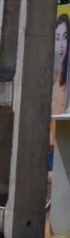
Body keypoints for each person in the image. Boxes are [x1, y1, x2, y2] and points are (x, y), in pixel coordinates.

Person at [51, 14, 70, 147]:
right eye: (57, 38)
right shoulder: (47, 78)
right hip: (45, 146)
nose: (61, 45)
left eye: (65, 38)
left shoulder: (66, 83)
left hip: (62, 145)